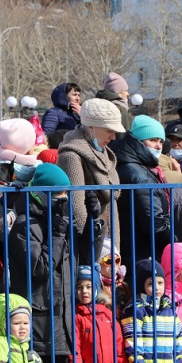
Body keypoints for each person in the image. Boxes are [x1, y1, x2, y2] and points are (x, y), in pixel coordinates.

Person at [8, 164, 79, 363]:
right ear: (41, 194)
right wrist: (57, 235)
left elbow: (80, 259)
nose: (63, 200)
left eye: (65, 195)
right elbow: (40, 269)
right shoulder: (26, 224)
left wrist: (94, 225)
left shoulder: (57, 220)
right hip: (39, 318)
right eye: (58, 195)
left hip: (61, 316)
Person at [56, 98, 123, 255]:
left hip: (107, 239)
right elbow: (76, 207)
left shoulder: (104, 153)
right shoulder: (71, 156)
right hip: (89, 244)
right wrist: (91, 246)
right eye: (109, 130)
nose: (113, 137)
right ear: (91, 126)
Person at [110, 115, 173, 268]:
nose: (158, 146)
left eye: (161, 141)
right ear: (138, 141)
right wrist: (175, 240)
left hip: (134, 248)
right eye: (153, 140)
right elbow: (154, 223)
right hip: (143, 252)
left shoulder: (132, 165)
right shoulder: (139, 176)